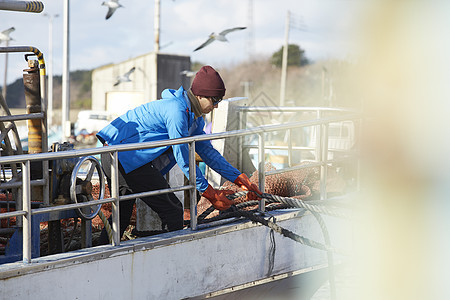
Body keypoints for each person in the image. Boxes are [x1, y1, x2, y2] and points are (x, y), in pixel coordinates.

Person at [96, 65, 261, 244]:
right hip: (123, 157)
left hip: (120, 156)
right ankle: (166, 260)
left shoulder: (194, 117)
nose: (216, 106)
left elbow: (207, 152)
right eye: (214, 100)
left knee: (122, 214)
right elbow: (183, 157)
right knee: (172, 210)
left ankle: (102, 251)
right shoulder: (177, 111)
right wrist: (211, 194)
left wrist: (239, 178)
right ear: (199, 95)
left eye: (219, 101)